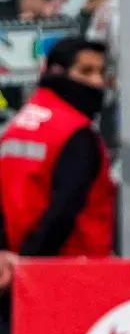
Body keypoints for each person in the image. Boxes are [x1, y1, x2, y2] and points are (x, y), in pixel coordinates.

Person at [0, 37, 115, 263]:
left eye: (101, 72)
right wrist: (30, 261)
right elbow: (64, 209)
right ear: (57, 72)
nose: (97, 81)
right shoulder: (75, 133)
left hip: (15, 261)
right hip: (71, 266)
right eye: (86, 71)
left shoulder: (18, 124)